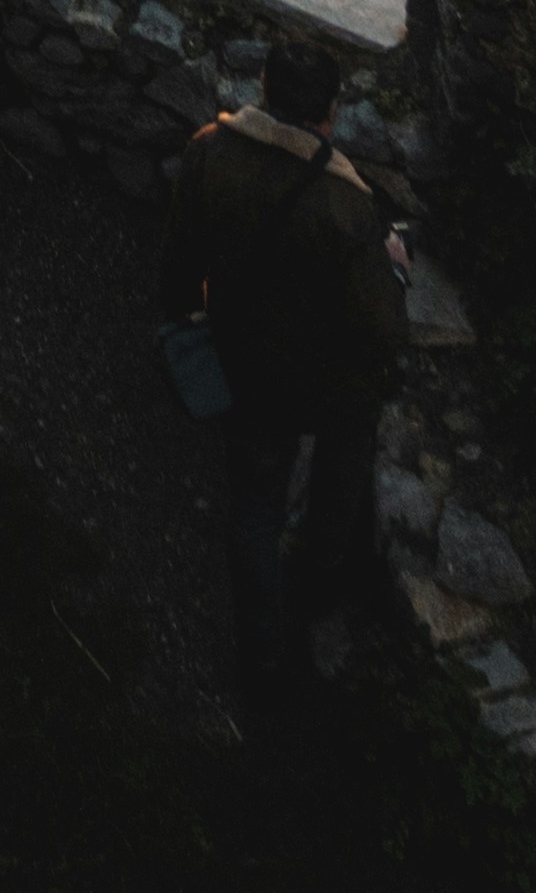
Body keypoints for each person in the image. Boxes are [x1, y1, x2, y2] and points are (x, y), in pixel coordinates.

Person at [160, 99, 399, 728]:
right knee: (337, 468)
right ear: (330, 114)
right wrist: (392, 267)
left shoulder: (210, 148)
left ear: (266, 86)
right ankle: (316, 589)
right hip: (317, 377)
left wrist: (188, 319)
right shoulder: (349, 205)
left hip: (244, 360)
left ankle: (263, 655)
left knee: (254, 506)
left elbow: (181, 249)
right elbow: (380, 323)